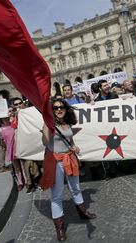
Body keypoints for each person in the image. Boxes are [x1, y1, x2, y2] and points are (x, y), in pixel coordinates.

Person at [41, 98, 96, 241]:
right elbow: (45, 142)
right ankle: (59, 228)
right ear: (52, 110)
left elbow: (70, 141)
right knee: (57, 194)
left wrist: (75, 147)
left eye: (62, 107)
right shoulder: (49, 124)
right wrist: (46, 127)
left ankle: (83, 212)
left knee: (76, 188)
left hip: (70, 158)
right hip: (56, 162)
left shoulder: (68, 123)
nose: (59, 110)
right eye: (56, 108)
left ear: (66, 109)